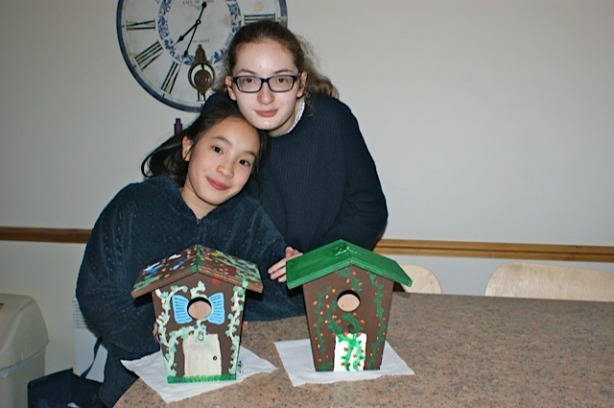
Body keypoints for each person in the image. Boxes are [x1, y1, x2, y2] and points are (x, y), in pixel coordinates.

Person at [76, 98, 303, 407]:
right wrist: (163, 331)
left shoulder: (249, 219)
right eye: (218, 149)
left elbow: (280, 296)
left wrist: (301, 275)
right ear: (188, 147)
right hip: (135, 388)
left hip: (223, 389)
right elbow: (96, 295)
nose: (226, 169)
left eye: (243, 162)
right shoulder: (134, 205)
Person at [209, 20, 388, 254]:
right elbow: (199, 203)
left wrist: (312, 263)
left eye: (281, 80)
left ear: (301, 84)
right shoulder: (219, 121)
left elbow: (369, 209)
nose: (265, 97)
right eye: (249, 80)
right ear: (231, 87)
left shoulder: (333, 121)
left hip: (324, 269)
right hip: (248, 269)